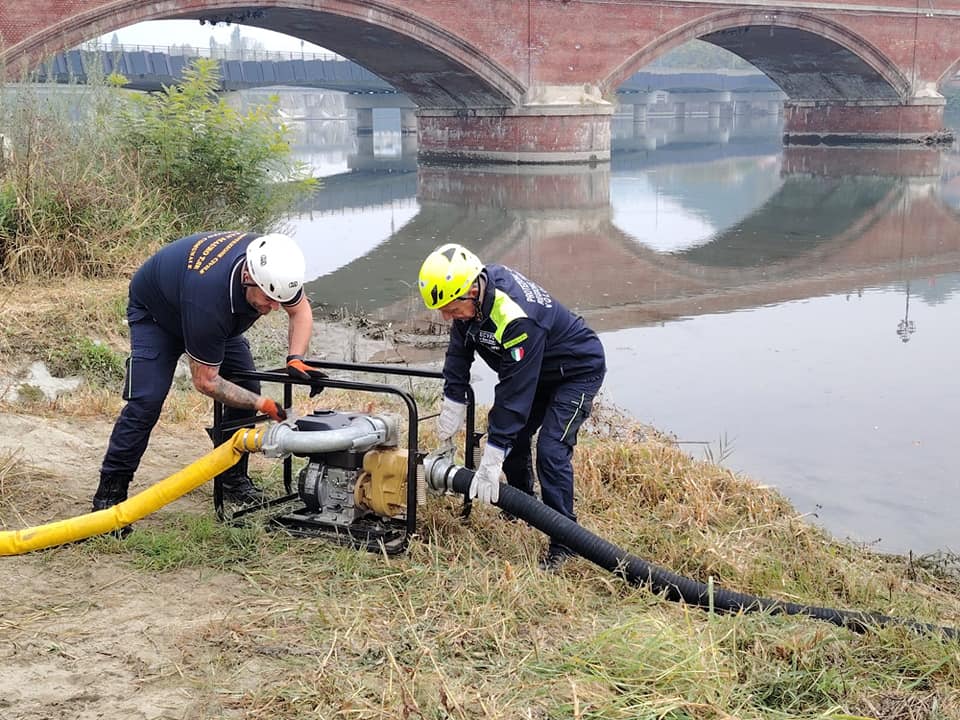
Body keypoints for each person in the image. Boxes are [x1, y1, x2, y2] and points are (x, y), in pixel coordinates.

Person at [92, 230, 325, 518]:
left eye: (279, 299)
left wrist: (296, 359)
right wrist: (262, 405)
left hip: (206, 314)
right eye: (268, 299)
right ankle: (110, 494)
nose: (274, 308)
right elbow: (206, 381)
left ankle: (231, 478)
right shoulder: (210, 299)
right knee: (146, 402)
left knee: (247, 384)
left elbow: (299, 309)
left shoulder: (273, 265)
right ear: (247, 278)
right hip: (158, 316)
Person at [418, 243, 606, 570]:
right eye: (443, 310)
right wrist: (453, 399)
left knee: (551, 448)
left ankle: (566, 539)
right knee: (514, 438)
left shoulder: (517, 316)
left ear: (472, 290)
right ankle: (521, 503)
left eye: (451, 308)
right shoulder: (469, 302)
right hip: (538, 372)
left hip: (575, 372)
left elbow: (514, 392)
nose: (447, 317)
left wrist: (492, 456)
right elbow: (459, 354)